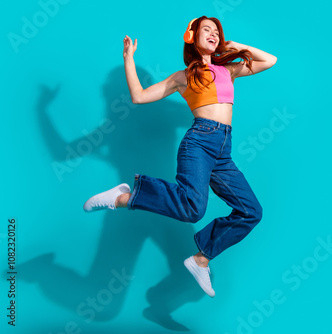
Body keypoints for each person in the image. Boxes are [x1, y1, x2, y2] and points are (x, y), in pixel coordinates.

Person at [82, 16, 277, 297]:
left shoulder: (228, 71)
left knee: (251, 211)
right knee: (193, 209)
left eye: (216, 32)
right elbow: (138, 96)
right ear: (192, 37)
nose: (212, 34)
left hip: (223, 151)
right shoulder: (184, 77)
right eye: (205, 30)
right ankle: (124, 196)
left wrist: (235, 44)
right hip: (199, 143)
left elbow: (269, 60)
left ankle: (201, 259)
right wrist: (128, 59)